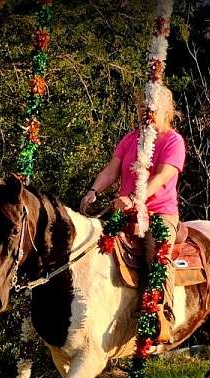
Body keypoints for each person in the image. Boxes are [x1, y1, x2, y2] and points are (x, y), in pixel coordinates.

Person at [80, 86, 185, 341]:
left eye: (151, 110)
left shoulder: (173, 141)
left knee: (155, 252)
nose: (145, 114)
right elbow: (111, 170)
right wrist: (94, 190)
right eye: (141, 109)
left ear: (167, 112)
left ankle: (160, 314)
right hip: (125, 211)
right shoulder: (130, 139)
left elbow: (162, 177)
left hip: (159, 214)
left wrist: (136, 198)